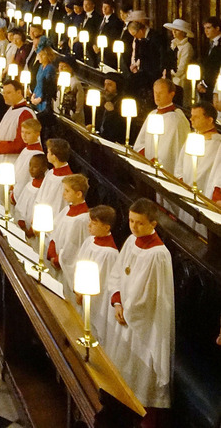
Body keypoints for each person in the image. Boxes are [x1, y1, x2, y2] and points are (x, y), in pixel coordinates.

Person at [107, 198, 174, 425]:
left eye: (139, 223)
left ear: (153, 223)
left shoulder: (158, 254)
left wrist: (128, 311)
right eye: (131, 221)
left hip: (144, 324)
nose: (134, 227)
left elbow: (149, 297)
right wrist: (117, 301)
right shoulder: (131, 241)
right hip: (124, 314)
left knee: (141, 375)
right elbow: (118, 272)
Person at [74, 205, 118, 344]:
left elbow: (104, 283)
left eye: (94, 223)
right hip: (82, 293)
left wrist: (84, 293)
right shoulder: (90, 241)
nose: (89, 226)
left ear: (106, 227)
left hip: (96, 301)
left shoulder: (110, 253)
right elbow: (79, 262)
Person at [133, 78, 190, 175]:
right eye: (155, 92)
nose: (157, 96)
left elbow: (170, 151)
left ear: (171, 94)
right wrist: (144, 158)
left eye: (161, 93)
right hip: (147, 166)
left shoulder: (176, 119)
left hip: (163, 169)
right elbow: (140, 142)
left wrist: (155, 162)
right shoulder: (153, 114)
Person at [46, 174, 91, 297]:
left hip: (65, 267)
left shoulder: (82, 219)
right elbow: (55, 230)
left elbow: (74, 247)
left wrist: (58, 259)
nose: (63, 194)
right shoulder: (67, 210)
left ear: (78, 194)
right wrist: (51, 248)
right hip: (56, 258)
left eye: (67, 191)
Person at [0, 79, 35, 189]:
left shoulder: (25, 113)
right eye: (4, 92)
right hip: (1, 160)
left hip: (11, 163)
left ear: (19, 92)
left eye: (9, 92)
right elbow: (4, 130)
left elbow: (22, 144)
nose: (5, 96)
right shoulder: (12, 108)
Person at [35, 138, 73, 218]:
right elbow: (41, 196)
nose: (47, 154)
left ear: (54, 156)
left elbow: (57, 205)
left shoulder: (66, 180)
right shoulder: (51, 172)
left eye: (48, 152)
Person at [15, 154, 48, 236]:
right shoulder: (29, 185)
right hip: (23, 228)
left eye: (35, 167)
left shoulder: (44, 189)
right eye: (30, 165)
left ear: (44, 168)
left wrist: (32, 230)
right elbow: (21, 206)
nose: (31, 169)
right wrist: (21, 223)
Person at [163, 19, 195, 106]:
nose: (174, 32)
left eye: (177, 30)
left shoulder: (187, 47)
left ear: (183, 32)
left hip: (180, 80)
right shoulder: (173, 44)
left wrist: (171, 71)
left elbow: (181, 67)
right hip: (171, 78)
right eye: (173, 30)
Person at [13, 118, 44, 202]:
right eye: (22, 132)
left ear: (37, 134)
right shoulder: (26, 149)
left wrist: (15, 194)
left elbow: (25, 177)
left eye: (28, 133)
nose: (24, 135)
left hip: (24, 194)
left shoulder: (36, 154)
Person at [92, 72, 126, 144]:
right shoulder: (104, 100)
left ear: (118, 87)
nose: (105, 88)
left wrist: (112, 112)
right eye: (105, 84)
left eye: (109, 85)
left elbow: (119, 129)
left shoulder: (123, 104)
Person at [94, 1, 125, 68]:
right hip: (99, 50)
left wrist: (100, 46)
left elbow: (112, 36)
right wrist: (95, 44)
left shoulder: (115, 21)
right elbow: (98, 32)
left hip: (108, 52)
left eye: (106, 7)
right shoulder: (101, 19)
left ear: (112, 8)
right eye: (103, 7)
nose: (104, 9)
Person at [198, 17, 221, 102]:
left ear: (217, 28)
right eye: (204, 28)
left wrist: (205, 84)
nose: (206, 31)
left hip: (216, 86)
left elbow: (215, 68)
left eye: (208, 28)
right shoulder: (209, 44)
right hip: (207, 85)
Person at [57, 57, 85, 125]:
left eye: (64, 67)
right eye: (59, 66)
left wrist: (73, 118)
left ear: (71, 68)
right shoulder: (60, 79)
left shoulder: (75, 83)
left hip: (73, 119)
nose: (61, 69)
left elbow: (79, 106)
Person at [31, 46, 57, 112]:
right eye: (39, 55)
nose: (40, 57)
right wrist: (33, 95)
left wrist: (40, 99)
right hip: (37, 96)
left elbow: (48, 86)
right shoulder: (41, 66)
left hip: (44, 99)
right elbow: (38, 83)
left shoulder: (50, 68)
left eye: (42, 55)